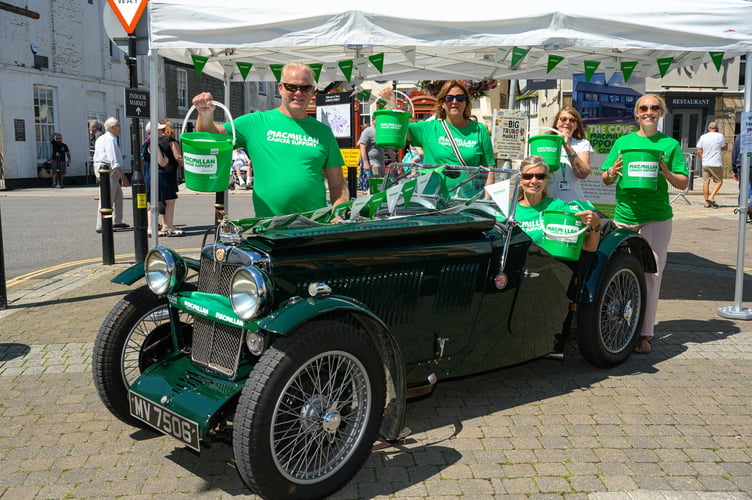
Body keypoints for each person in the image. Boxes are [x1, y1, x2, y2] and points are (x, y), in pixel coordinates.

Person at [191, 62, 347, 218]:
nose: (298, 93)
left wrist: (338, 213)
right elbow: (210, 137)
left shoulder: (323, 132)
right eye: (291, 87)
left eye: (304, 88)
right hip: (270, 227)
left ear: (312, 91)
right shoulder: (256, 123)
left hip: (314, 226)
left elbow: (338, 184)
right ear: (280, 88)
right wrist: (204, 115)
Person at [601, 94, 689, 354]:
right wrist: (611, 172)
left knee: (651, 275)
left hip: (656, 216)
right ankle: (614, 323)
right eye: (643, 108)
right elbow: (606, 178)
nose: (649, 111)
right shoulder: (623, 142)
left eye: (654, 107)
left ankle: (644, 333)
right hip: (624, 215)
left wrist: (667, 173)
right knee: (617, 271)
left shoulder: (669, 145)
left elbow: (683, 182)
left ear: (661, 112)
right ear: (636, 113)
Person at [378, 81, 495, 193]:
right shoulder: (428, 128)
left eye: (460, 98)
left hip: (466, 202)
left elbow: (489, 169)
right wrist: (392, 104)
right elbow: (397, 130)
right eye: (449, 98)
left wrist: (486, 199)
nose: (454, 101)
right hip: (433, 200)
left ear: (466, 102)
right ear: (442, 103)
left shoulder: (479, 130)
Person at [515, 155, 601, 253]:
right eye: (528, 176)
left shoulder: (558, 207)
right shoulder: (509, 211)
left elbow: (589, 246)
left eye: (540, 177)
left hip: (548, 266)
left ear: (546, 180)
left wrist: (595, 224)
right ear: (520, 180)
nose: (534, 181)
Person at [547, 107, 595, 202]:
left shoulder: (582, 144)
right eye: (563, 119)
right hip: (548, 200)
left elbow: (583, 173)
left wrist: (567, 146)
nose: (567, 122)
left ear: (576, 126)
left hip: (573, 201)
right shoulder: (547, 142)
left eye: (572, 120)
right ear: (557, 123)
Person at [143, 121, 182, 236]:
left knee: (155, 201)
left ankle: (161, 227)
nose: (162, 132)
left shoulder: (148, 142)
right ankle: (164, 227)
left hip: (152, 174)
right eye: (159, 129)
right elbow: (162, 161)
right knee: (168, 200)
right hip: (158, 174)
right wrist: (166, 159)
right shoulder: (153, 143)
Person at [93, 117, 130, 233]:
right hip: (108, 170)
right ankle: (101, 225)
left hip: (103, 168)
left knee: (118, 195)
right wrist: (123, 177)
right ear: (112, 127)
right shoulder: (110, 139)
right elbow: (113, 161)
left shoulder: (102, 138)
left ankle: (116, 221)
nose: (120, 128)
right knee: (107, 197)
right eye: (118, 125)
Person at [696, 121, 728, 208]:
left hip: (705, 162)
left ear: (708, 128)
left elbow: (699, 150)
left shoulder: (703, 137)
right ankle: (711, 197)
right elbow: (723, 147)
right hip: (716, 163)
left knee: (706, 182)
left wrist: (702, 159)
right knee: (719, 181)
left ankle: (707, 203)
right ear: (717, 128)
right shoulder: (720, 136)